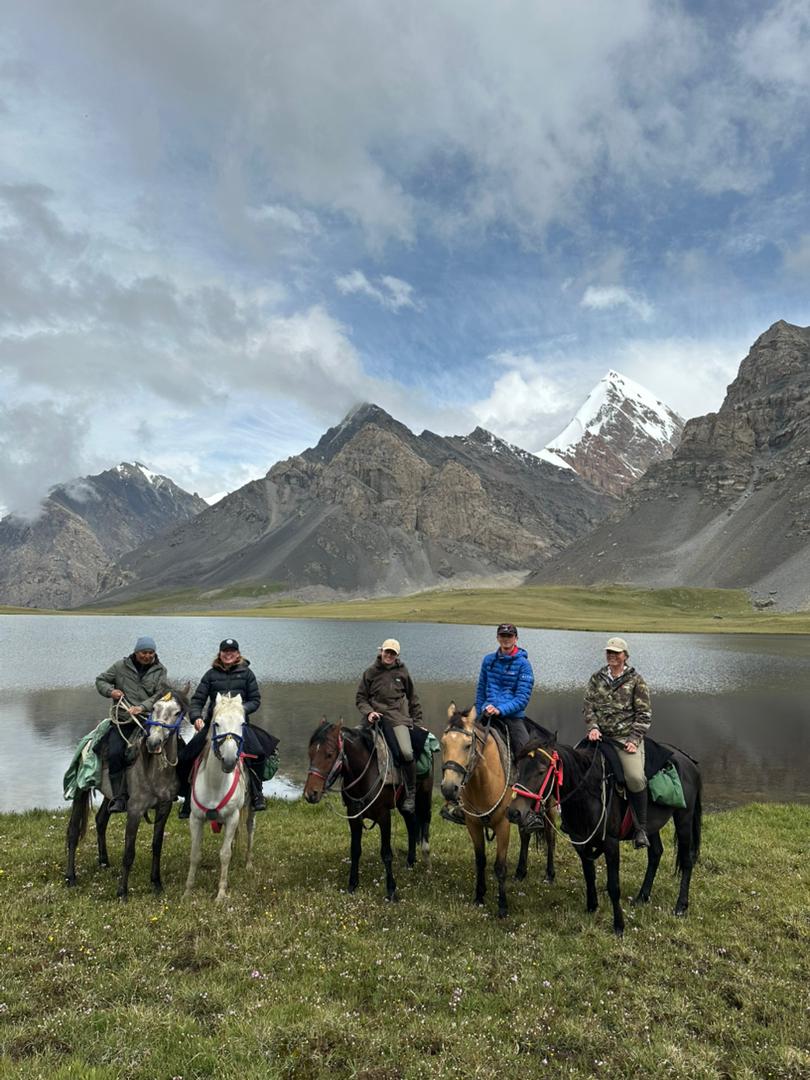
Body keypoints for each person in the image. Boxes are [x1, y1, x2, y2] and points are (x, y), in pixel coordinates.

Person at [441, 622, 535, 825]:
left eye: (509, 636)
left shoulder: (524, 665)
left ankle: (531, 809)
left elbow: (522, 697)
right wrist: (483, 708)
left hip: (513, 717)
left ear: (516, 639)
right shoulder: (488, 661)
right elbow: (481, 690)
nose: (506, 639)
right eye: (503, 636)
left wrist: (501, 709)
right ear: (498, 638)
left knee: (528, 756)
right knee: (465, 747)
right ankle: (459, 803)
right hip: (486, 714)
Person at [184, 638, 278, 814]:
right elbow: (197, 700)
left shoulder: (247, 674)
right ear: (220, 654)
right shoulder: (210, 675)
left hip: (239, 725)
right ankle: (188, 798)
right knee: (187, 755)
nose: (228, 654)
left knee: (258, 754)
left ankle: (257, 793)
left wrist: (239, 710)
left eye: (232, 651)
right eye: (225, 651)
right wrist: (196, 717)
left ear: (238, 654)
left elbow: (255, 700)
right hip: (215, 726)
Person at [584, 636, 652, 848]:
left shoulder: (636, 680)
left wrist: (634, 740)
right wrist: (593, 727)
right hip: (599, 736)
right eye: (609, 652)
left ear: (625, 656)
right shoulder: (596, 678)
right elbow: (588, 706)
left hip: (624, 739)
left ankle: (641, 829)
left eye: (616, 652)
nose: (611, 655)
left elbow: (644, 714)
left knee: (635, 778)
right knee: (574, 764)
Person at [95, 635, 168, 812]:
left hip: (148, 720)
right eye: (144, 652)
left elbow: (160, 694)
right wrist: (111, 691)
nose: (147, 656)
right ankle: (119, 798)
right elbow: (100, 680)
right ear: (136, 652)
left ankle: (168, 791)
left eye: (151, 652)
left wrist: (142, 707)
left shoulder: (160, 670)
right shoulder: (120, 666)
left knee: (172, 747)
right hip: (123, 721)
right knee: (115, 752)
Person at [355, 638, 422, 813]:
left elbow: (413, 698)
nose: (389, 655)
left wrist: (417, 722)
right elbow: (361, 698)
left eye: (393, 653)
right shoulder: (370, 672)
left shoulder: (403, 672)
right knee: (351, 744)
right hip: (374, 717)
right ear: (381, 651)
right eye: (387, 652)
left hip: (397, 718)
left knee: (406, 752)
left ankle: (411, 793)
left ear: (397, 655)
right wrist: (369, 712)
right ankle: (352, 791)